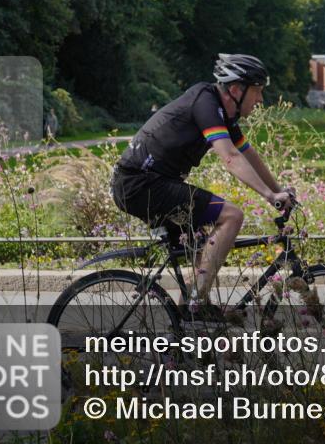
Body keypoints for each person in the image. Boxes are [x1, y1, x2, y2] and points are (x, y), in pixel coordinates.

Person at [110, 54, 294, 322]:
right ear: (235, 90)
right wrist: (269, 195)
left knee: (200, 247)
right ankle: (196, 303)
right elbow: (230, 157)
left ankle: (188, 318)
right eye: (257, 91)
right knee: (232, 215)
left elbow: (248, 153)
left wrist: (279, 190)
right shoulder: (205, 103)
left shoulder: (223, 115)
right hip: (140, 183)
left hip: (151, 183)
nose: (260, 100)